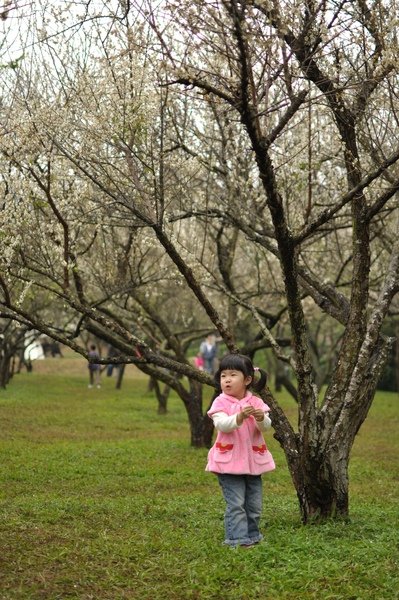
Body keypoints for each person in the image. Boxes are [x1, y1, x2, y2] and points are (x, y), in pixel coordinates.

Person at [206, 353, 275, 548]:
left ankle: (253, 535)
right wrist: (239, 417)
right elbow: (222, 425)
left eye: (232, 375)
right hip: (229, 464)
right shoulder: (220, 402)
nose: (227, 380)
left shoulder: (256, 403)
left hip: (253, 462)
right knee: (236, 503)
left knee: (254, 505)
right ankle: (237, 539)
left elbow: (265, 428)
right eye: (223, 375)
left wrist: (261, 417)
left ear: (247, 379)